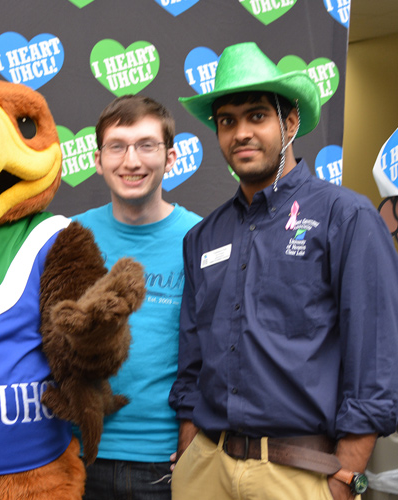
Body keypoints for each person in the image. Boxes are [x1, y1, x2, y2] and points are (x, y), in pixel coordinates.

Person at [169, 42, 398, 500]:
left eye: (257, 116)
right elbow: (193, 363)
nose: (241, 133)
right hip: (206, 469)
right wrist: (190, 456)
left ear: (289, 122)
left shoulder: (346, 218)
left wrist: (344, 479)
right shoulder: (202, 237)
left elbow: (375, 362)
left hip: (299, 474)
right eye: (227, 121)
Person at [72, 94, 201, 499]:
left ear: (171, 157)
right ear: (98, 160)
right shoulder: (69, 238)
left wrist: (194, 442)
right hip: (76, 454)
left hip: (166, 463)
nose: (131, 161)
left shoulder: (201, 239)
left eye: (147, 145)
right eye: (117, 146)